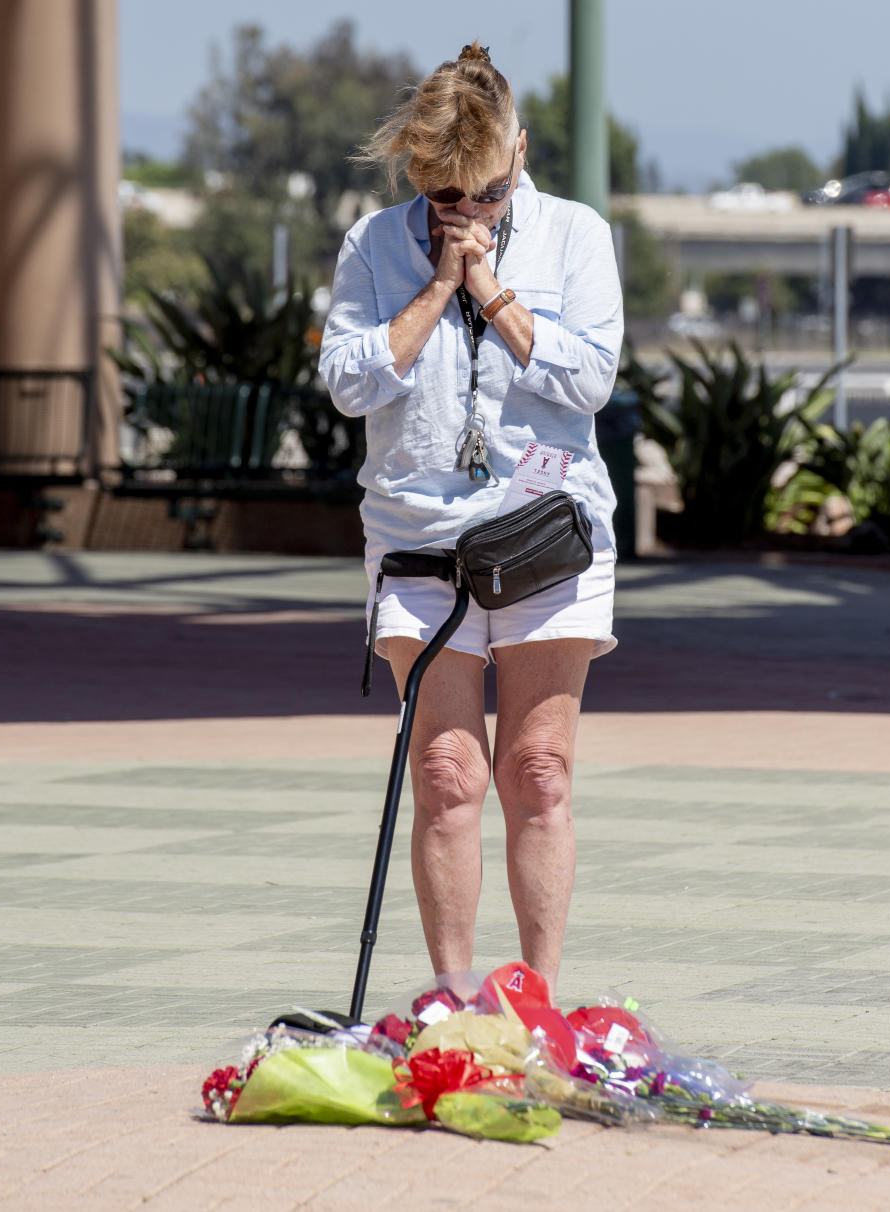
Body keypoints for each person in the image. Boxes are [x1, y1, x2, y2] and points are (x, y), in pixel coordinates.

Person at [321, 41, 623, 997]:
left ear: (520, 154)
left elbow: (590, 378)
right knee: (447, 775)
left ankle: (539, 998)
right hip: (420, 537)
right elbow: (346, 380)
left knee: (538, 769)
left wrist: (491, 292)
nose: (467, 217)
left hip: (545, 529)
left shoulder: (575, 234)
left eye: (487, 196)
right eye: (446, 198)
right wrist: (438, 288)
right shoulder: (377, 243)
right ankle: (452, 999)